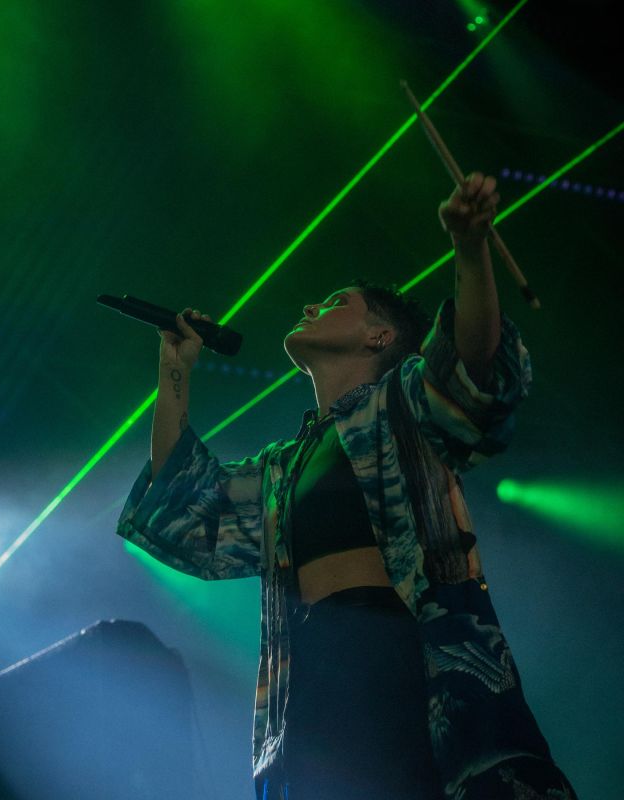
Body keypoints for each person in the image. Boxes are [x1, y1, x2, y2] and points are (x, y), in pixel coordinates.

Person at [117, 173, 577, 799]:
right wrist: (175, 369)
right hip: (309, 675)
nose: (310, 307)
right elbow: (188, 509)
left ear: (379, 336)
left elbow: (472, 367)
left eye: (335, 302)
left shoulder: (403, 405)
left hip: (394, 653)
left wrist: (470, 249)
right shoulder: (284, 466)